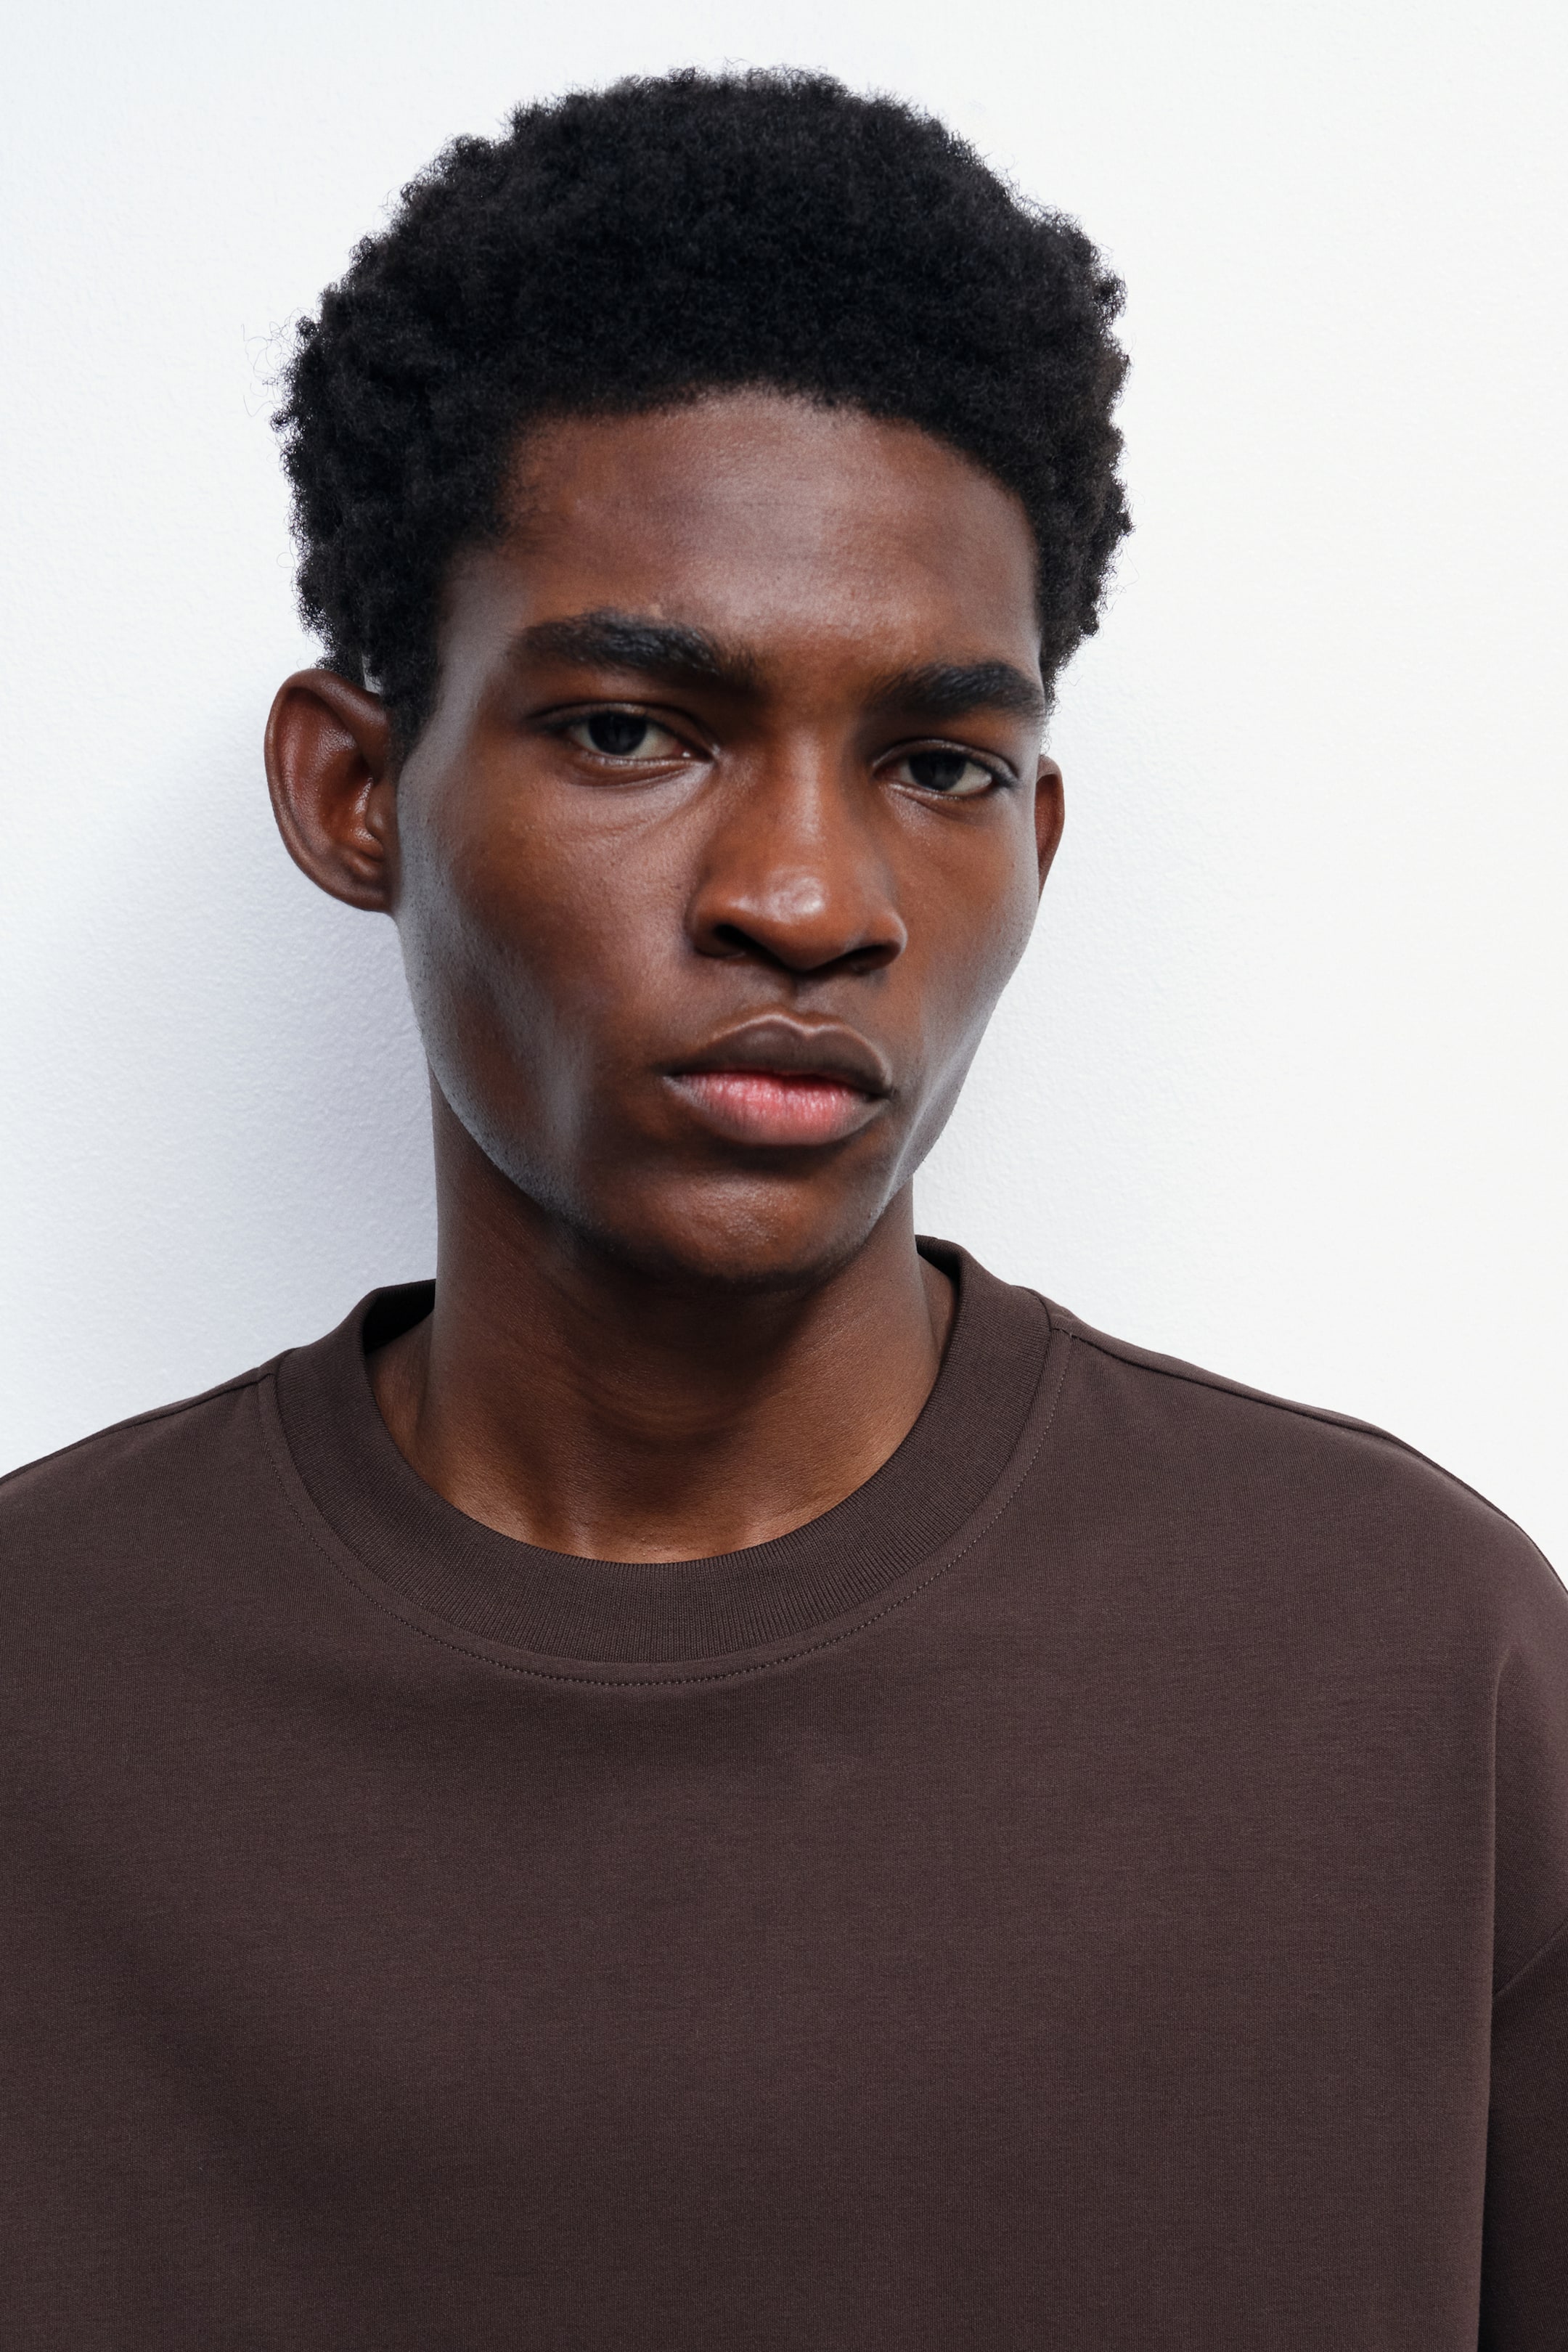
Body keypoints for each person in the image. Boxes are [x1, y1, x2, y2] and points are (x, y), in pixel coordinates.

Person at [2, 68, 1562, 2350]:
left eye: (939, 764)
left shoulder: (1412, 1667)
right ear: (355, 792)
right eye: (635, 730)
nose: (812, 899)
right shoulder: (42, 1694)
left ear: (1035, 844)